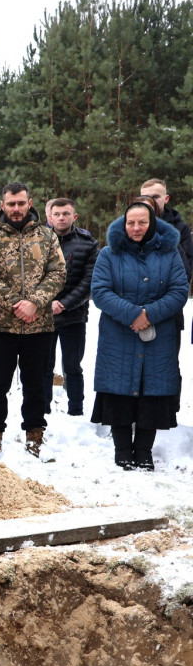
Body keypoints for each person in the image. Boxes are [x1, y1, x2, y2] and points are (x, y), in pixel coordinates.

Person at [91, 199, 187, 470]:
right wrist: (132, 314)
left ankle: (144, 450)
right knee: (119, 389)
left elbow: (179, 291)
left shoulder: (170, 253)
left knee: (151, 391)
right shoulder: (109, 254)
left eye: (142, 222)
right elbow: (100, 291)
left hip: (159, 335)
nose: (136, 227)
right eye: (131, 222)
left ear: (152, 223)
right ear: (124, 223)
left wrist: (149, 314)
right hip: (118, 334)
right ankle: (122, 450)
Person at [0, 182, 67, 459]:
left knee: (36, 384)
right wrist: (16, 304)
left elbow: (58, 273)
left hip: (38, 325)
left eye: (21, 203)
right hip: (0, 325)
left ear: (30, 203)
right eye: (11, 204)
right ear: (2, 205)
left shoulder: (48, 236)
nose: (16, 209)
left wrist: (34, 302)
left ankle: (35, 435)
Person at [45, 197, 99, 417]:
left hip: (74, 315)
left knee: (73, 366)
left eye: (65, 214)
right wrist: (46, 302)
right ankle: (43, 409)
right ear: (49, 217)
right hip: (44, 314)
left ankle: (76, 410)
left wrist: (65, 304)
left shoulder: (88, 243)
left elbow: (90, 280)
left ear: (74, 216)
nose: (61, 218)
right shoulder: (39, 242)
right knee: (44, 367)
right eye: (56, 214)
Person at [141, 178, 193, 291]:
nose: (151, 201)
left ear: (166, 199)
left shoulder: (181, 229)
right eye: (146, 197)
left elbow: (185, 271)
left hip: (168, 300)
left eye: (155, 197)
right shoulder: (128, 228)